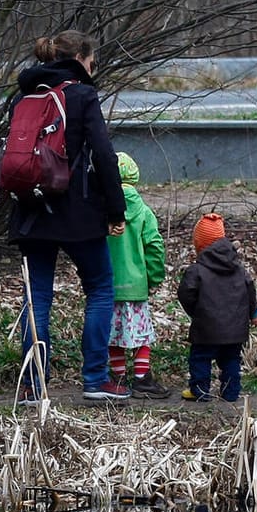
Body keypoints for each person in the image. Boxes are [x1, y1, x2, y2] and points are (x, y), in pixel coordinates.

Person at [7, 31, 128, 404]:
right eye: (92, 62)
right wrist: (116, 209)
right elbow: (105, 156)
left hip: (31, 208)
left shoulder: (24, 94)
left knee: (38, 294)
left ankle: (32, 384)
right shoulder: (82, 94)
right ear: (80, 58)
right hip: (77, 211)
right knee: (100, 288)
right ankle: (95, 378)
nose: (93, 68)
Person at [105, 152, 170, 399]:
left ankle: (118, 378)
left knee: (113, 334)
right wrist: (153, 277)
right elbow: (154, 245)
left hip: (107, 285)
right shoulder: (143, 211)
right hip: (136, 285)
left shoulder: (102, 209)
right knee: (141, 333)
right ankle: (142, 378)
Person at [176, 213, 257, 402]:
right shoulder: (238, 268)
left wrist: (196, 311)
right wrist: (254, 313)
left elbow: (185, 293)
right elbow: (250, 290)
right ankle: (231, 392)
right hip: (236, 328)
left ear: (200, 245)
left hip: (206, 326)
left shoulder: (197, 270)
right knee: (231, 359)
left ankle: (200, 391)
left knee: (200, 358)